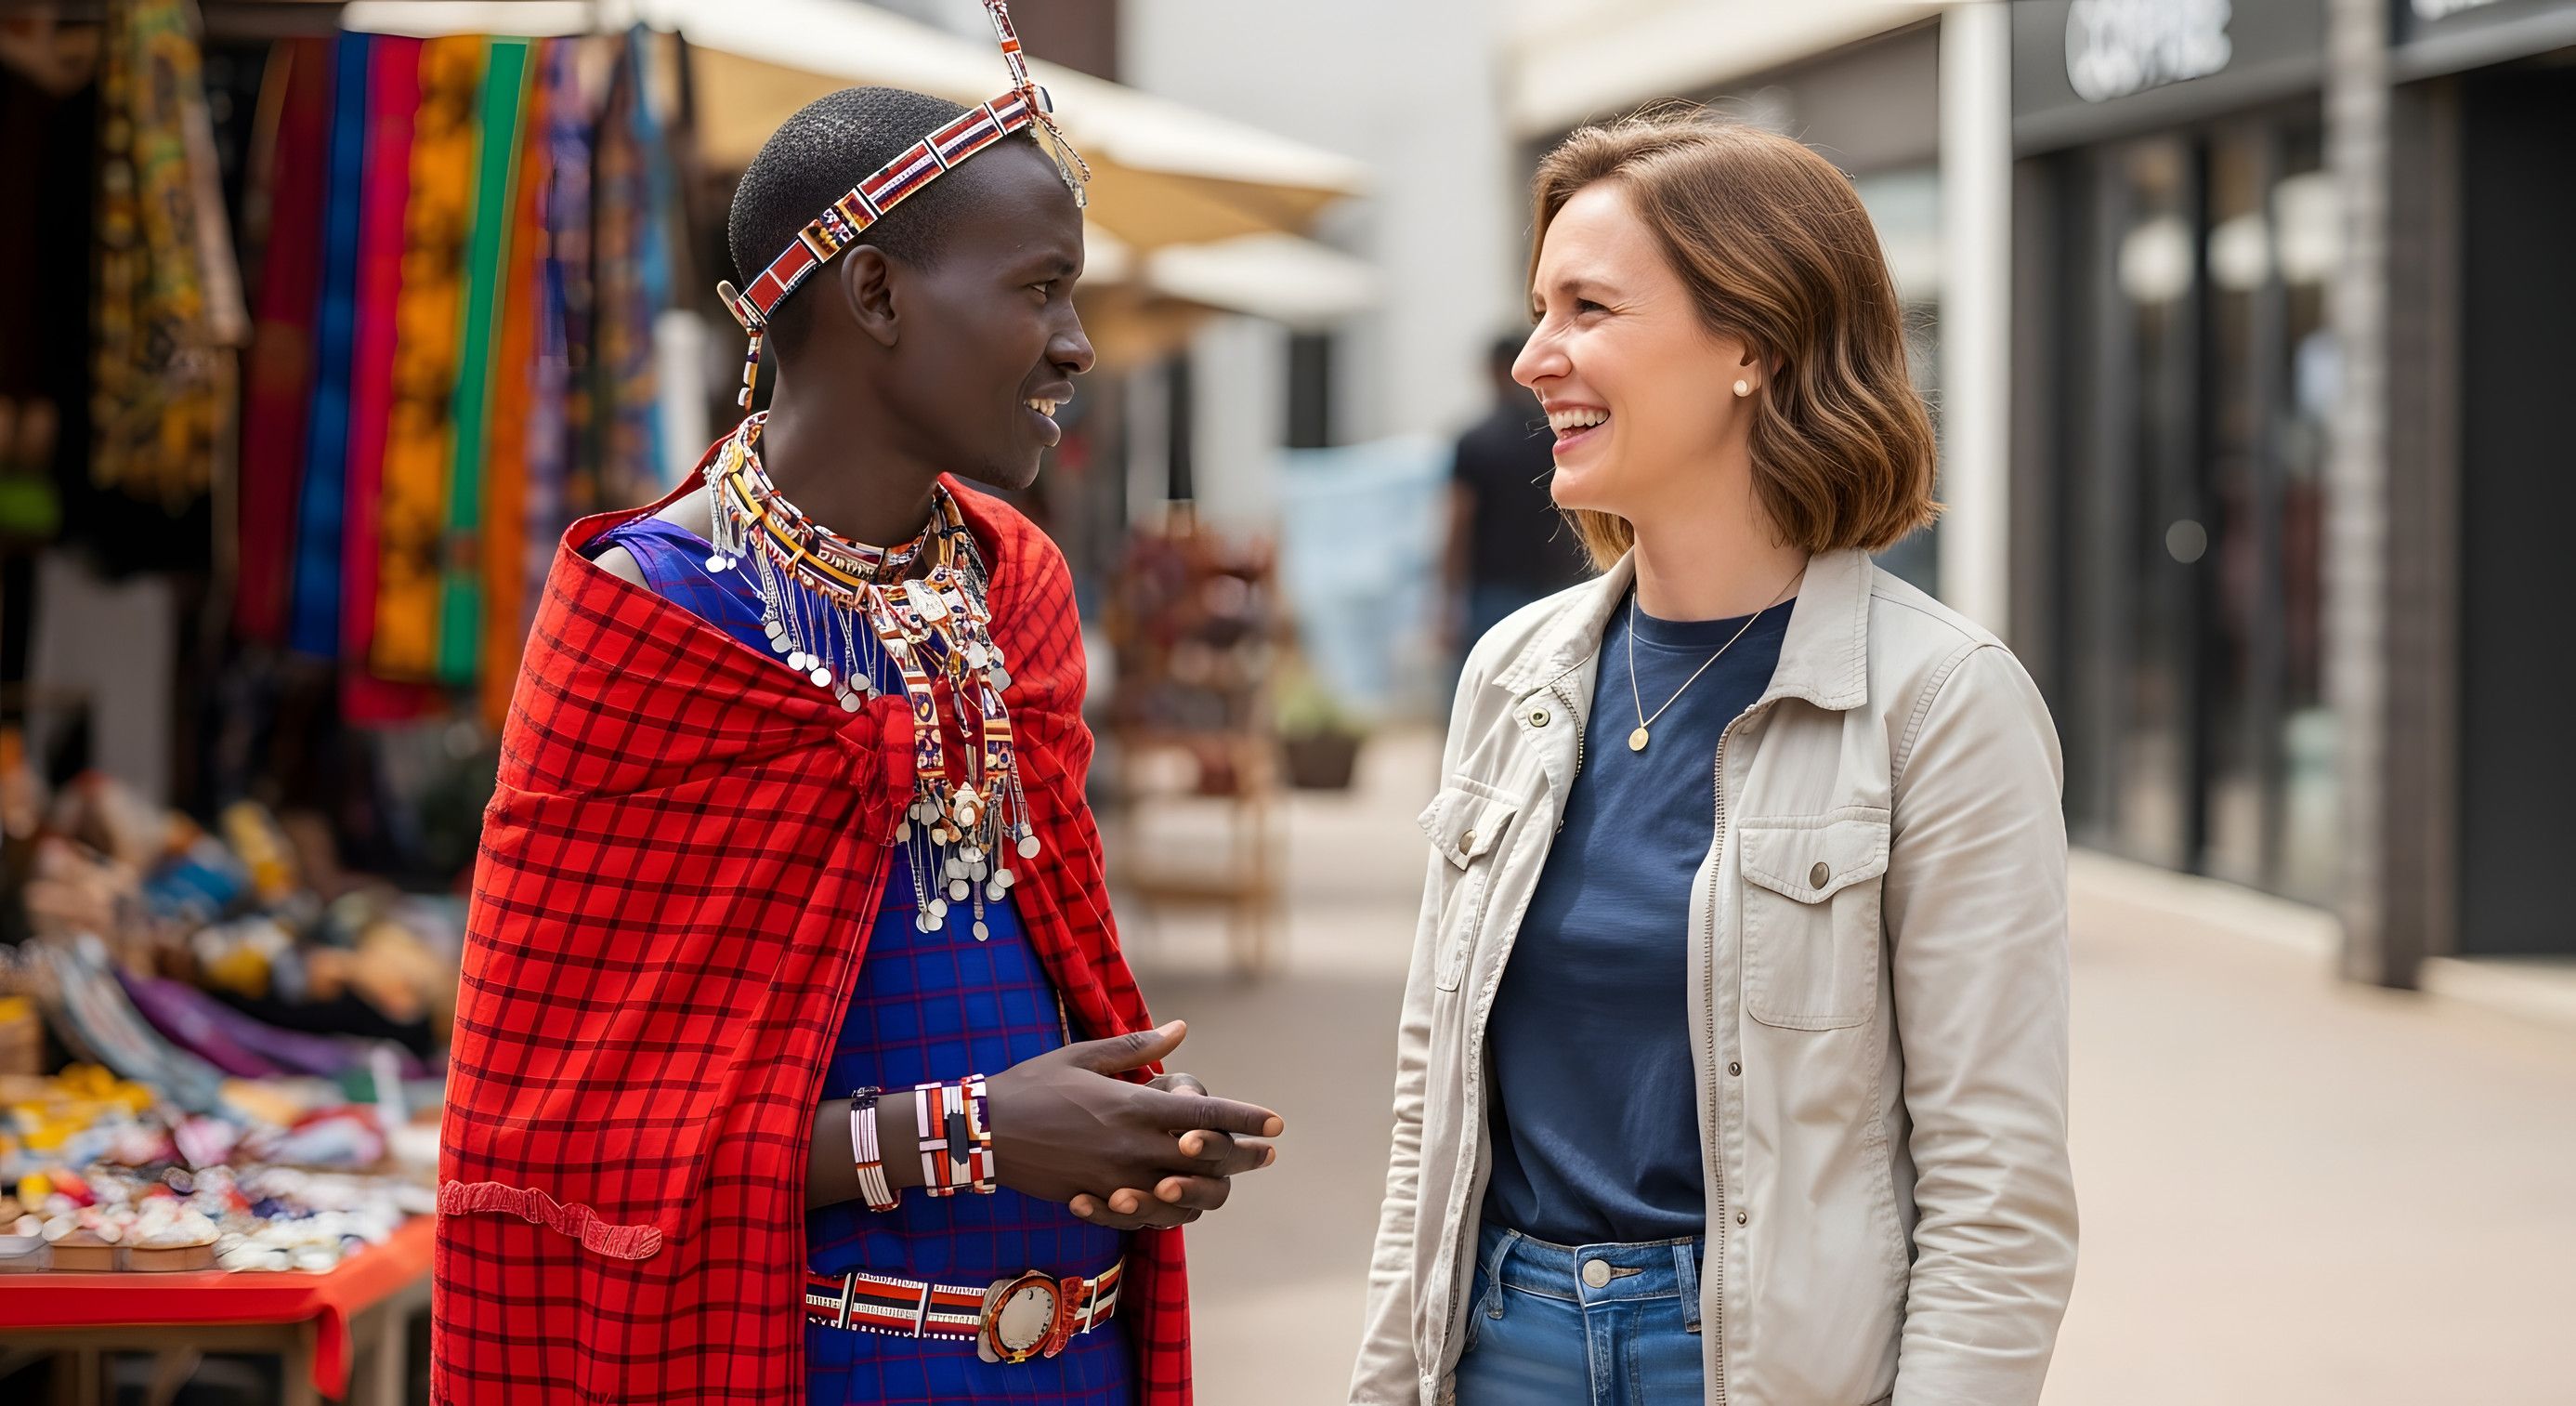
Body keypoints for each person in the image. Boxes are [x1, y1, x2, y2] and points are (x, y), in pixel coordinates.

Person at [435, 8, 1281, 1403]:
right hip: (801, 1367)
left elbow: (1033, 956)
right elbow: (563, 1136)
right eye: (1040, 289)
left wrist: (1124, 1128)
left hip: (1077, 1361)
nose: (1075, 347)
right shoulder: (652, 619)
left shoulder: (1017, 588)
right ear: (876, 295)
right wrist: (978, 1135)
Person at [1351, 112, 2077, 1406]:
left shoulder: (1942, 704)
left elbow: (1995, 1190)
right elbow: (1430, 1109)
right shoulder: (1512, 676)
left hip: (1759, 1368)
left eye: (1587, 307)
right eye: (1536, 309)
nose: (1531, 359)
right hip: (1496, 1348)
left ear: (1752, 343)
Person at [1445, 334, 1592, 665]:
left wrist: (1448, 599)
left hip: (1492, 586)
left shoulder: (1475, 439)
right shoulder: (1558, 436)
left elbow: (1458, 521)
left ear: (1494, 371)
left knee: (1487, 691)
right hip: (1560, 580)